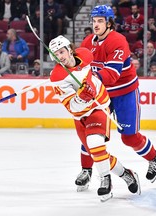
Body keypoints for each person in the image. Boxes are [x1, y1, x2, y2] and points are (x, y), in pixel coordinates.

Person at [80, 5, 156, 187]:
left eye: (100, 21)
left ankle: (155, 158)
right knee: (91, 133)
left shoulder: (118, 41)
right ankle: (86, 170)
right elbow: (79, 66)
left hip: (125, 92)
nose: (96, 25)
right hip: (102, 95)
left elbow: (112, 74)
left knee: (129, 138)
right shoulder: (88, 42)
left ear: (110, 23)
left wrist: (89, 80)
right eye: (94, 21)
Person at [49, 35, 140, 201]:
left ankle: (105, 180)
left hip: (98, 107)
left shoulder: (84, 54)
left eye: (62, 51)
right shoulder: (58, 77)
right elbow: (71, 106)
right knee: (97, 153)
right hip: (80, 115)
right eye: (55, 54)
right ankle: (126, 174)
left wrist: (92, 87)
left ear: (70, 49)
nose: (60, 56)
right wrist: (82, 96)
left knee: (95, 144)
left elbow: (94, 76)